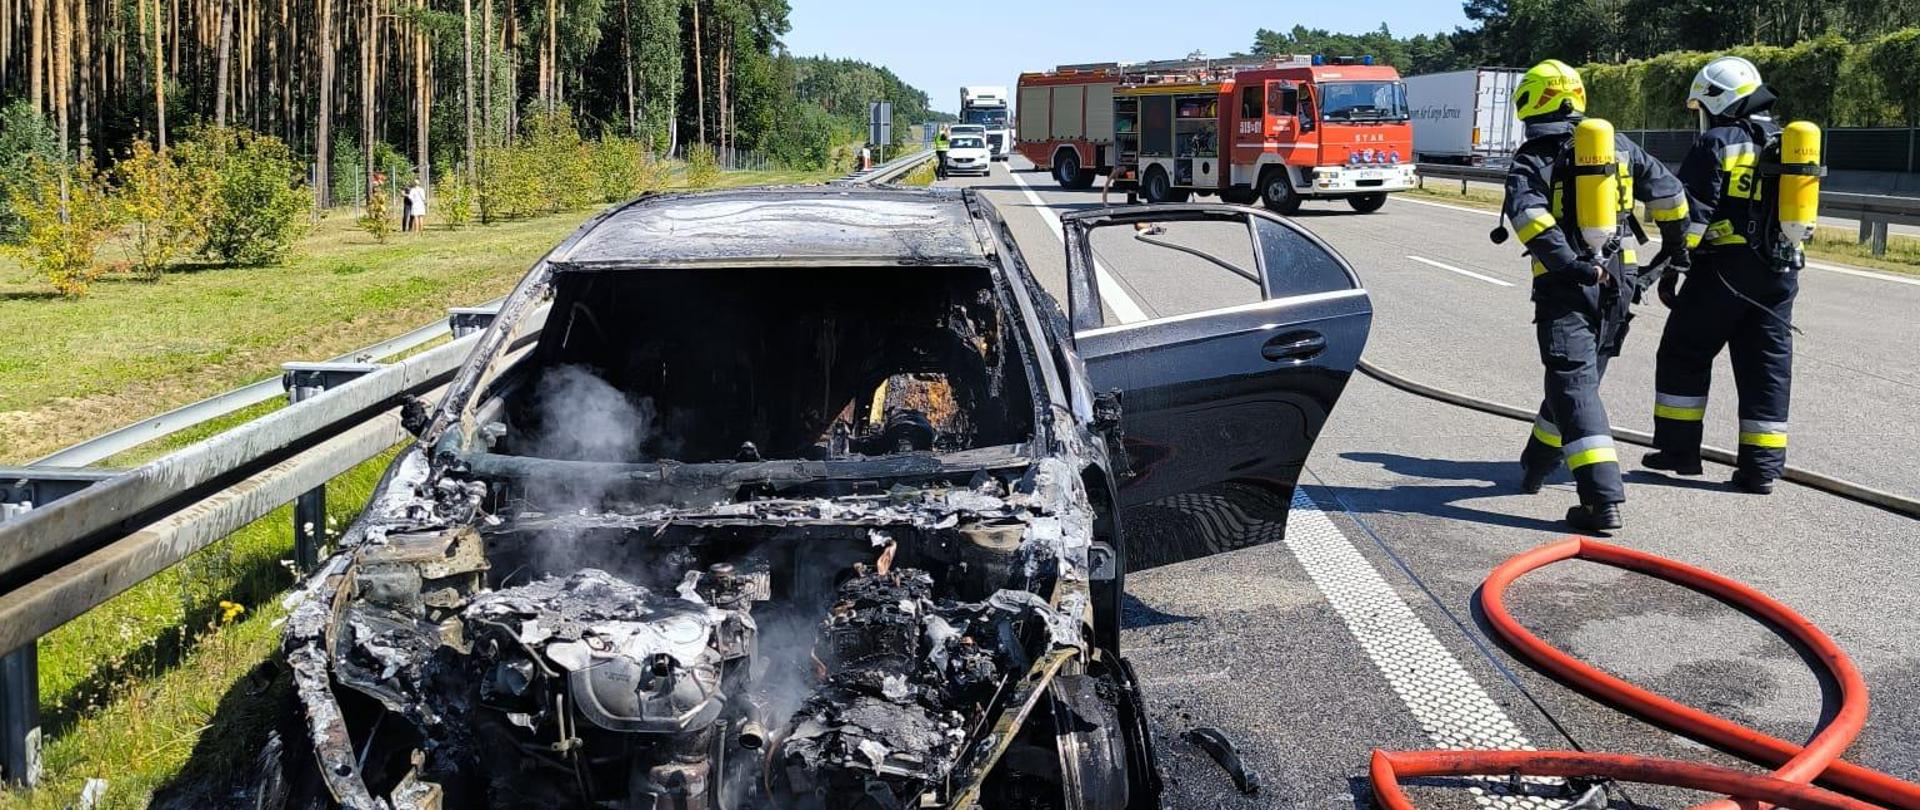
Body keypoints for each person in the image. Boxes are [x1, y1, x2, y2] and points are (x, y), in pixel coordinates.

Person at [1504, 59, 1691, 531]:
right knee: (1576, 382)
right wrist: (1673, 249)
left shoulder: (1535, 156)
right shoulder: (1618, 147)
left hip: (1568, 284)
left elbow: (1531, 221)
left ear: (1531, 101)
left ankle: (1600, 499)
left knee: (1574, 383)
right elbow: (1670, 194)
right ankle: (1537, 464)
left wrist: (1573, 266)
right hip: (1619, 281)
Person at [1644, 56, 1798, 494]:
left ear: (1719, 100)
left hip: (1724, 273)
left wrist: (1672, 265)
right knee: (1766, 366)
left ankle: (1678, 450)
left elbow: (1692, 216)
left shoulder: (1719, 142)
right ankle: (1761, 469)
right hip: (1780, 274)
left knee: (1683, 351)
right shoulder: (1789, 142)